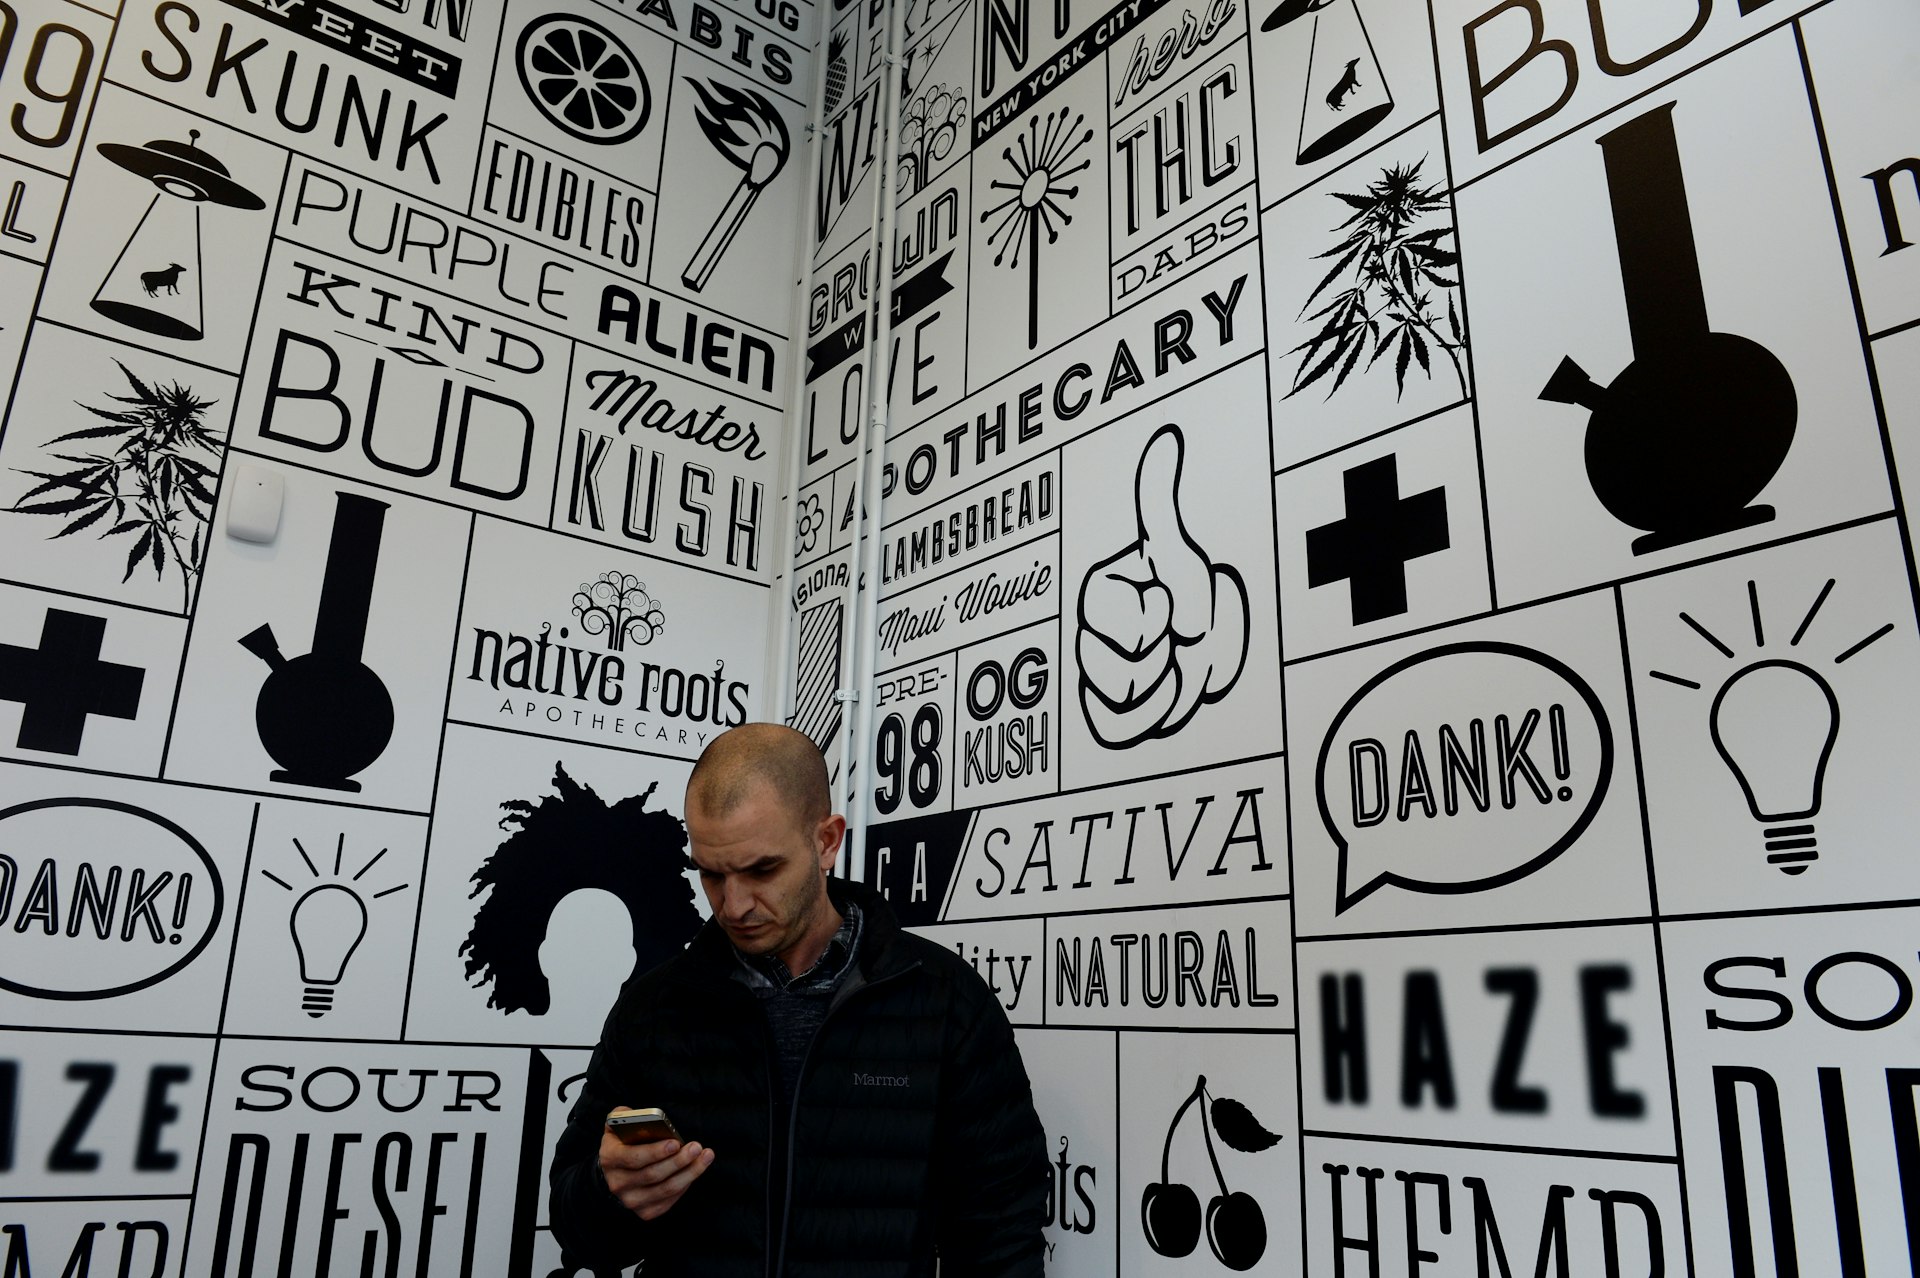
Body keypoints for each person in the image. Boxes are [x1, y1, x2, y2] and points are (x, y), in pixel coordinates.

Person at [549, 723, 1048, 1276]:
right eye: (711, 874)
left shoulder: (945, 1000)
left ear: (826, 841)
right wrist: (611, 1193)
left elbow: (1002, 1231)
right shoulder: (653, 1009)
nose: (733, 905)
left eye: (763, 869)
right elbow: (580, 1234)